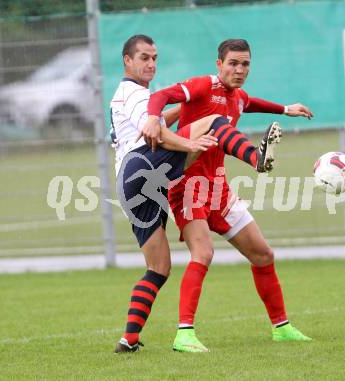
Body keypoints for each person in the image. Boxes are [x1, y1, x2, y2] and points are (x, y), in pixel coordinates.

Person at [112, 35, 282, 353]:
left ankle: (129, 340)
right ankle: (256, 159)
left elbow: (163, 119)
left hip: (138, 192)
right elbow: (155, 132)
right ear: (127, 61)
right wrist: (189, 142)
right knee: (214, 124)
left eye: (154, 57)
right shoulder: (134, 93)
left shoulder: (135, 95)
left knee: (159, 267)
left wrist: (286, 109)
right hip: (140, 169)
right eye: (144, 57)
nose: (151, 63)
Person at [141, 38, 314, 352]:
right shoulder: (202, 86)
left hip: (219, 189)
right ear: (219, 64)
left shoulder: (238, 97)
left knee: (263, 255)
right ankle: (184, 334)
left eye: (245, 64)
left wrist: (287, 109)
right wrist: (153, 117)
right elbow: (162, 95)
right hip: (187, 185)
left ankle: (282, 327)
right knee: (203, 254)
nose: (239, 69)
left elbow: (253, 102)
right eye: (233, 63)